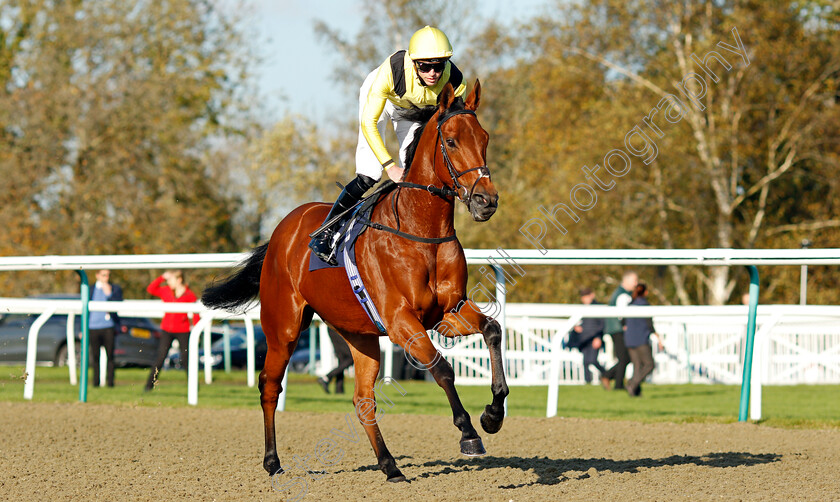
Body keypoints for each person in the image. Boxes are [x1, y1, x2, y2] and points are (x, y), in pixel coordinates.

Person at [309, 25, 467, 265]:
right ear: (414, 63)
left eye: (439, 65)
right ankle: (326, 232)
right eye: (425, 66)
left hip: (414, 110)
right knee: (369, 174)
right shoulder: (391, 72)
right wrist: (389, 166)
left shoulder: (456, 82)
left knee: (415, 175)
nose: (433, 73)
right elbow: (369, 123)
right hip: (382, 103)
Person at [144, 270, 200, 391]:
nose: (168, 282)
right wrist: (162, 277)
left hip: (183, 331)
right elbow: (151, 289)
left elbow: (196, 314)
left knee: (186, 359)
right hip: (167, 330)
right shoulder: (166, 291)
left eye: (171, 280)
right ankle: (149, 386)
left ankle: (194, 387)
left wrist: (197, 330)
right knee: (160, 357)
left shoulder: (190, 295)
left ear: (179, 279)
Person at [625, 283, 664, 397]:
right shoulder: (645, 305)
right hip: (640, 339)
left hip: (629, 339)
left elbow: (623, 322)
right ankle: (632, 384)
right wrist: (658, 338)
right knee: (649, 365)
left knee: (637, 366)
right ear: (645, 292)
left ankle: (635, 392)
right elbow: (649, 325)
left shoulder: (630, 305)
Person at [602, 271, 638, 390]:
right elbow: (621, 314)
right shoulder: (623, 295)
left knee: (625, 358)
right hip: (618, 329)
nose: (636, 284)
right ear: (626, 281)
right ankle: (614, 382)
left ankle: (612, 379)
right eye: (635, 281)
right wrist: (625, 325)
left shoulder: (622, 293)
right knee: (624, 358)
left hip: (616, 328)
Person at [88, 269, 123, 387]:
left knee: (110, 357)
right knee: (95, 357)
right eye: (103, 275)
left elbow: (118, 304)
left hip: (108, 327)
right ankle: (95, 383)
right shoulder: (90, 289)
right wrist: (83, 329)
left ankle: (110, 383)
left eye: (108, 275)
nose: (106, 277)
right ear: (97, 275)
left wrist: (109, 294)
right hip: (93, 327)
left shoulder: (115, 288)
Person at [571, 288, 609, 388]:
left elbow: (602, 324)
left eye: (586, 296)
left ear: (591, 295)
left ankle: (607, 375)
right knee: (585, 362)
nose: (584, 299)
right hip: (584, 338)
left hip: (594, 338)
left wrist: (598, 337)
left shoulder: (598, 307)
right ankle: (588, 383)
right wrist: (577, 327)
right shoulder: (581, 308)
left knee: (592, 360)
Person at [318, 328, 354, 394]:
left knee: (342, 359)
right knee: (350, 358)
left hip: (335, 328)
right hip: (336, 328)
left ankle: (339, 390)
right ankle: (326, 377)